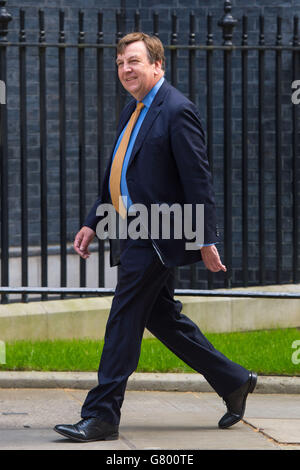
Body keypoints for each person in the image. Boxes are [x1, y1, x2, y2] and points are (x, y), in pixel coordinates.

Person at [54, 32, 257, 443]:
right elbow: (121, 172)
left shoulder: (176, 110)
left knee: (123, 319)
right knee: (163, 319)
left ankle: (102, 415)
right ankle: (234, 380)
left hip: (158, 234)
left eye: (133, 61)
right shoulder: (135, 108)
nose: (125, 69)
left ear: (157, 66)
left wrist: (206, 238)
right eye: (120, 63)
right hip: (129, 230)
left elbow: (198, 180)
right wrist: (94, 220)